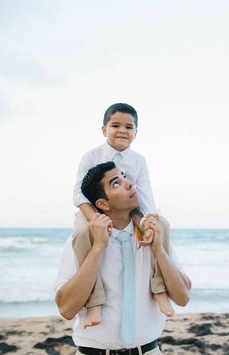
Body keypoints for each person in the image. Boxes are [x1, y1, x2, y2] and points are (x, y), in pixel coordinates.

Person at [55, 161, 191, 354]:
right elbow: (66, 309)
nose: (129, 183)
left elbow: (183, 297)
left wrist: (159, 250)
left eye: (126, 177)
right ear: (102, 204)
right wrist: (99, 248)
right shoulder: (81, 242)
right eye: (116, 183)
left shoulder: (153, 234)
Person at [72, 103, 174, 329]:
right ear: (103, 129)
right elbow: (78, 193)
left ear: (136, 133)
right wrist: (94, 218)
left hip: (130, 208)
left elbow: (146, 194)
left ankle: (159, 289)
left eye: (129, 127)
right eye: (115, 125)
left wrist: (150, 220)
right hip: (93, 209)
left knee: (161, 226)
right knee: (81, 234)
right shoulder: (91, 155)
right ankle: (94, 302)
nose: (122, 131)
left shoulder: (139, 161)